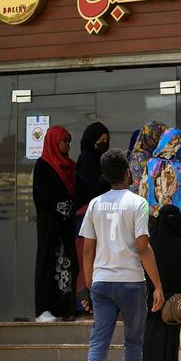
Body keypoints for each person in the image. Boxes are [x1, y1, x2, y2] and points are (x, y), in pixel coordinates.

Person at [80, 149, 165, 361]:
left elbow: (87, 249)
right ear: (128, 172)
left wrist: (90, 283)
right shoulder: (138, 203)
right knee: (133, 344)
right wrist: (158, 286)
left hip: (102, 281)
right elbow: (143, 247)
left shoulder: (95, 204)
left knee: (99, 341)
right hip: (131, 282)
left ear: (106, 176)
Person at [135, 204, 181, 361]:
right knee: (170, 344)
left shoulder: (150, 247)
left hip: (151, 300)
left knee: (150, 343)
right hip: (174, 304)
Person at [32, 125, 78, 323]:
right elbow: (40, 197)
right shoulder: (43, 165)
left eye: (69, 141)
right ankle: (44, 309)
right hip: (50, 225)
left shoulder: (71, 166)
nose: (67, 144)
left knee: (67, 263)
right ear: (54, 141)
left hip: (66, 226)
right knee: (48, 262)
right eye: (64, 140)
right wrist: (58, 207)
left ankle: (64, 306)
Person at [139, 127, 181, 240]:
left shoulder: (150, 163)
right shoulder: (179, 168)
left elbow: (143, 191)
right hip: (174, 223)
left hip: (152, 223)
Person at [74, 122, 111, 303]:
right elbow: (89, 185)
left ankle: (93, 299)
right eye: (100, 140)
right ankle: (85, 301)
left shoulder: (98, 160)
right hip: (86, 214)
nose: (103, 144)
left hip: (96, 214)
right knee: (87, 258)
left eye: (106, 141)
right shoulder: (87, 159)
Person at [129, 121, 168, 192]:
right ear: (152, 138)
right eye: (162, 137)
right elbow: (140, 186)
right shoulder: (139, 158)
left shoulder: (154, 153)